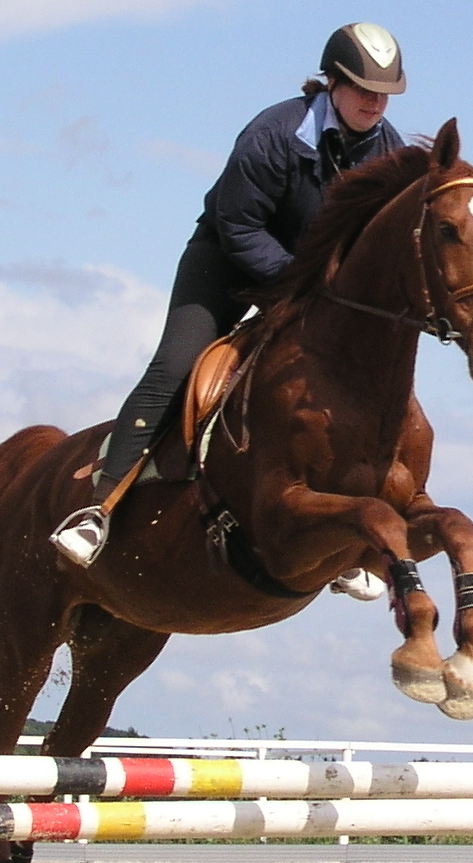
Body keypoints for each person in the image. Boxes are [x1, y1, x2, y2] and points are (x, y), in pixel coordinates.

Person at [52, 22, 408, 603]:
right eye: (364, 88)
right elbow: (239, 226)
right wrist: (303, 283)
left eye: (384, 92)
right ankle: (100, 507)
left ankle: (345, 541)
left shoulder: (387, 149)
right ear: (332, 82)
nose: (375, 101)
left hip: (313, 285)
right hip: (227, 262)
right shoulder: (273, 133)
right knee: (176, 365)